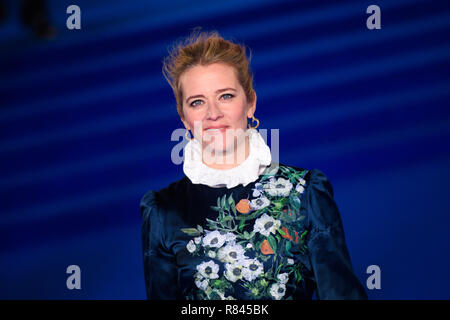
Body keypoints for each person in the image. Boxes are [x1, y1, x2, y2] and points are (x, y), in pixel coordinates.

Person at [139, 29, 367, 300]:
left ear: (250, 103)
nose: (213, 113)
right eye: (197, 102)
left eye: (225, 96)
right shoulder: (163, 211)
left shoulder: (305, 194)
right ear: (185, 119)